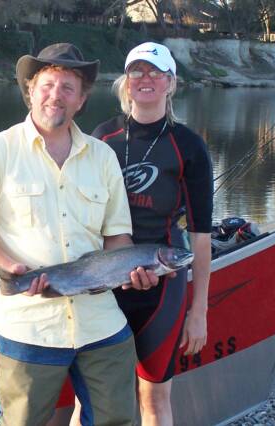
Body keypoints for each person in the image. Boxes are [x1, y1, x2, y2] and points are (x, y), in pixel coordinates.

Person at [0, 43, 158, 426]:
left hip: (101, 325)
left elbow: (117, 240)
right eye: (47, 85)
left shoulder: (103, 157)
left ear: (81, 100)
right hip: (27, 325)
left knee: (118, 421)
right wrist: (11, 267)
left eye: (67, 88)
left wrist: (134, 272)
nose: (55, 96)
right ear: (30, 90)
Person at [88, 42, 213, 425]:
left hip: (163, 281)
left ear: (171, 83)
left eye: (155, 72)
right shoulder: (102, 138)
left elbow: (201, 236)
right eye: (137, 72)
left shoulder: (189, 147)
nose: (146, 79)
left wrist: (199, 311)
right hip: (106, 282)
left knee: (154, 397)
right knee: (91, 398)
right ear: (125, 83)